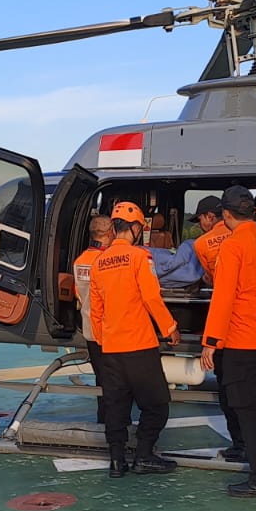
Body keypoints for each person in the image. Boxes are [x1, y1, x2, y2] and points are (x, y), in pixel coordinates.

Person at [200, 186, 256, 498]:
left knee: (248, 409)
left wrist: (211, 341)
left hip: (243, 340)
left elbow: (223, 296)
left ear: (226, 215)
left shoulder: (232, 246)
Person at [88, 201, 181, 478]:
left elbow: (96, 310)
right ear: (136, 228)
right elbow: (151, 297)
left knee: (115, 407)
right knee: (157, 405)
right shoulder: (140, 257)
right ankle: (144, 455)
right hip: (140, 346)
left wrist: (105, 340)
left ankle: (116, 461)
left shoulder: (98, 263)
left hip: (111, 349)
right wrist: (169, 327)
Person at [189, 194, 247, 463]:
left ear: (213, 217)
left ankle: (240, 444)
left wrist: (210, 342)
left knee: (229, 392)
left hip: (228, 329)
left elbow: (215, 285)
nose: (200, 224)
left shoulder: (202, 245)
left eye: (200, 218)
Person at [71, 214, 114, 424]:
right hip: (109, 329)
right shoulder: (107, 261)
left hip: (89, 329)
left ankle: (103, 421)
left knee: (101, 379)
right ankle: (114, 425)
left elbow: (78, 294)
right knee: (115, 381)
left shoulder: (80, 262)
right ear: (109, 233)